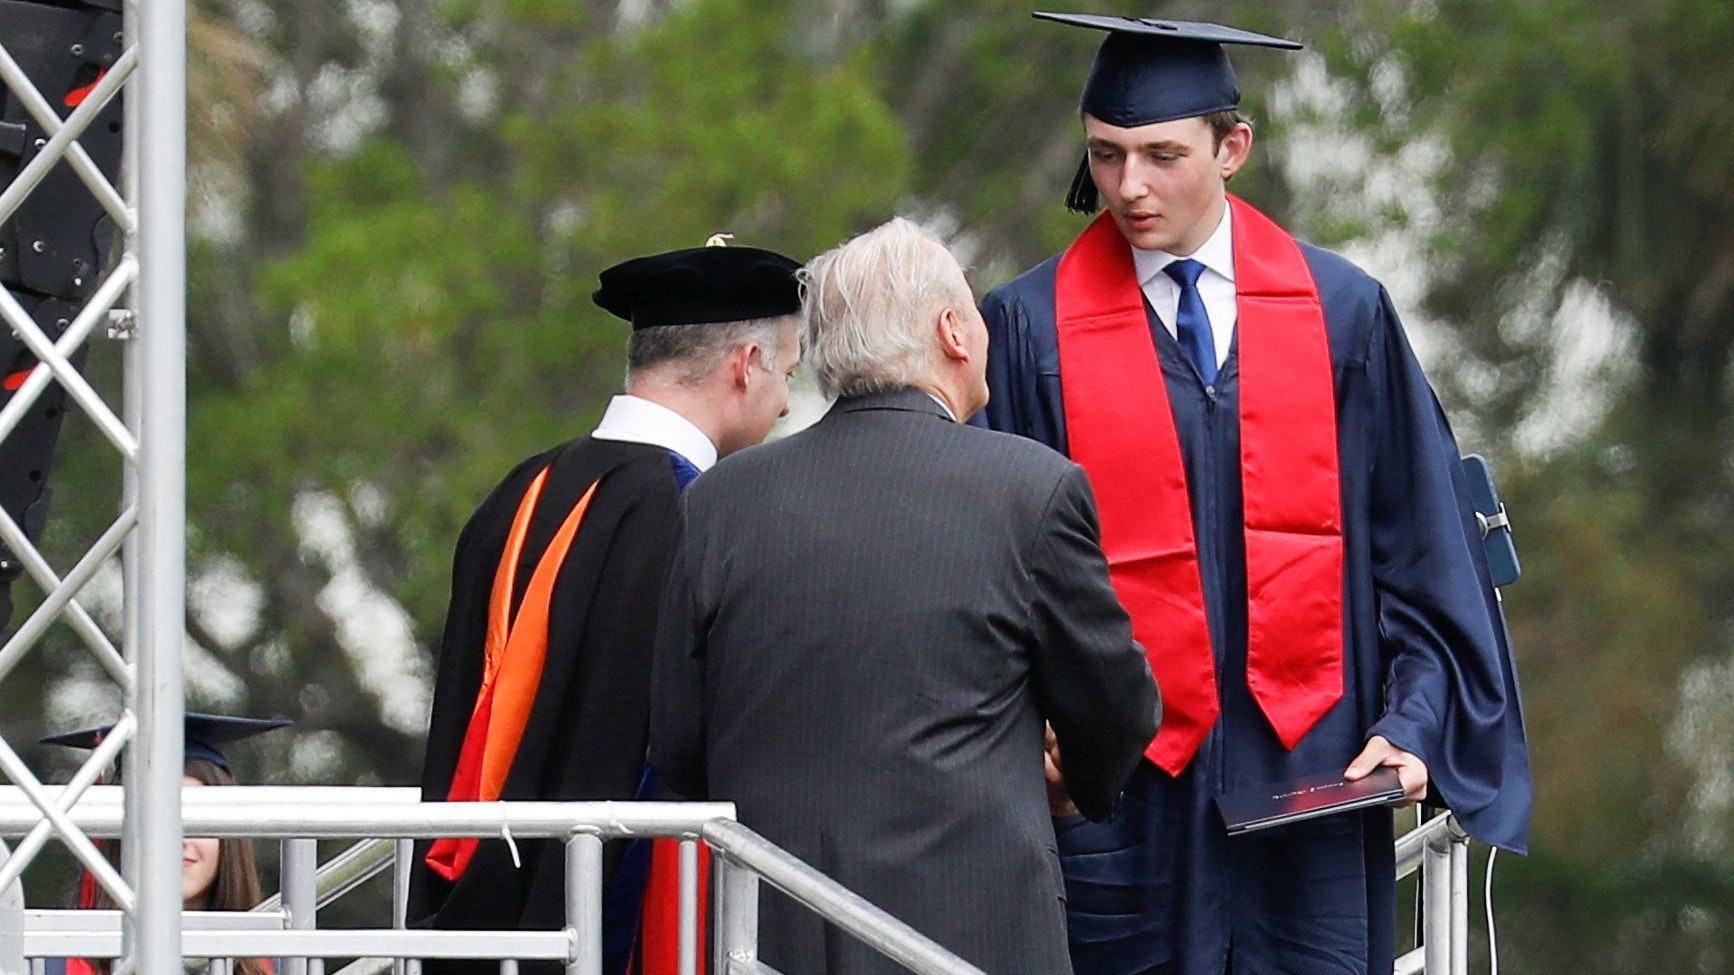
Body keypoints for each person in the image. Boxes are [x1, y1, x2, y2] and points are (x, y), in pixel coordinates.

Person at [974, 14, 1533, 975]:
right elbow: (990, 570)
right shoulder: (1028, 331)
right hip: (1121, 797)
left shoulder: (1342, 313)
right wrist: (1030, 733)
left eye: (1161, 155)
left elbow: (1424, 548)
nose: (1130, 187)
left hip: (1309, 783)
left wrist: (1414, 719)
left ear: (1233, 148)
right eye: (1105, 156)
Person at [651, 217, 1160, 975]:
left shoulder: (718, 501)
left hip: (773, 939)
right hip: (969, 937)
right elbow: (1115, 707)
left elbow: (680, 742)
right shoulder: (1031, 489)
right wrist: (1075, 781)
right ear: (954, 331)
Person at [409, 239, 803, 975]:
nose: (785, 400)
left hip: (478, 919)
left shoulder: (517, 493)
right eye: (787, 372)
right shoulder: (703, 515)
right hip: (626, 928)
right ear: (745, 364)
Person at [39, 712, 289, 975]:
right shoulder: (62, 964)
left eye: (197, 820)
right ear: (118, 837)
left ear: (228, 838)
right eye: (155, 818)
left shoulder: (276, 965)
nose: (178, 839)